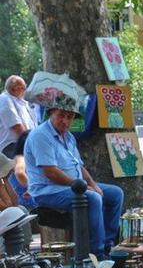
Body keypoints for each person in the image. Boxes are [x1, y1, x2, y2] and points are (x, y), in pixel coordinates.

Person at [24, 104, 123, 258]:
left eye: (69, 117)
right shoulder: (40, 135)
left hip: (73, 186)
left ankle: (109, 244)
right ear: (51, 113)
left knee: (115, 194)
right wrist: (81, 186)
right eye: (61, 115)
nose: (65, 121)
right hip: (47, 191)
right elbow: (50, 172)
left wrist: (93, 184)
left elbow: (79, 166)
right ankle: (97, 252)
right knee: (93, 198)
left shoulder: (68, 136)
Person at [0, 75, 38, 158]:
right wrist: (33, 143)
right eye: (22, 88)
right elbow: (16, 126)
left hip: (25, 142)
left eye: (25, 87)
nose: (25, 90)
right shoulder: (5, 99)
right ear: (13, 89)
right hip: (12, 145)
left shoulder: (22, 101)